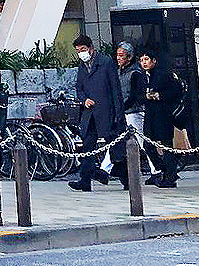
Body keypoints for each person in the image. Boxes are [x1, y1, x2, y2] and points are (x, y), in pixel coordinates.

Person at [68, 35, 122, 191]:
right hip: (89, 112)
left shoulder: (105, 62)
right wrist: (84, 99)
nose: (81, 53)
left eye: (83, 50)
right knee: (88, 146)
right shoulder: (82, 65)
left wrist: (118, 113)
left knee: (114, 145)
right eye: (78, 51)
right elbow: (79, 87)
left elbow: (115, 89)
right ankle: (85, 180)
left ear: (91, 47)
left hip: (106, 111)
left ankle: (125, 176)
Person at [137, 48, 184, 188]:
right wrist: (146, 97)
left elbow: (176, 91)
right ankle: (166, 168)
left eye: (146, 59)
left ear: (154, 61)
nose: (144, 63)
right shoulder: (141, 77)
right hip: (150, 114)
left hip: (164, 114)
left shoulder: (164, 75)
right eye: (141, 60)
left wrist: (159, 96)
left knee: (166, 144)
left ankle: (170, 177)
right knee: (147, 145)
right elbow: (137, 95)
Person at [112, 41, 144, 186]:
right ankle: (105, 170)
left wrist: (123, 107)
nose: (118, 58)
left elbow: (135, 95)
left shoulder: (135, 73)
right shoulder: (118, 72)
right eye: (117, 55)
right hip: (122, 112)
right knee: (118, 142)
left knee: (142, 142)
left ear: (129, 57)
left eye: (121, 55)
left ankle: (157, 170)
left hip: (134, 112)